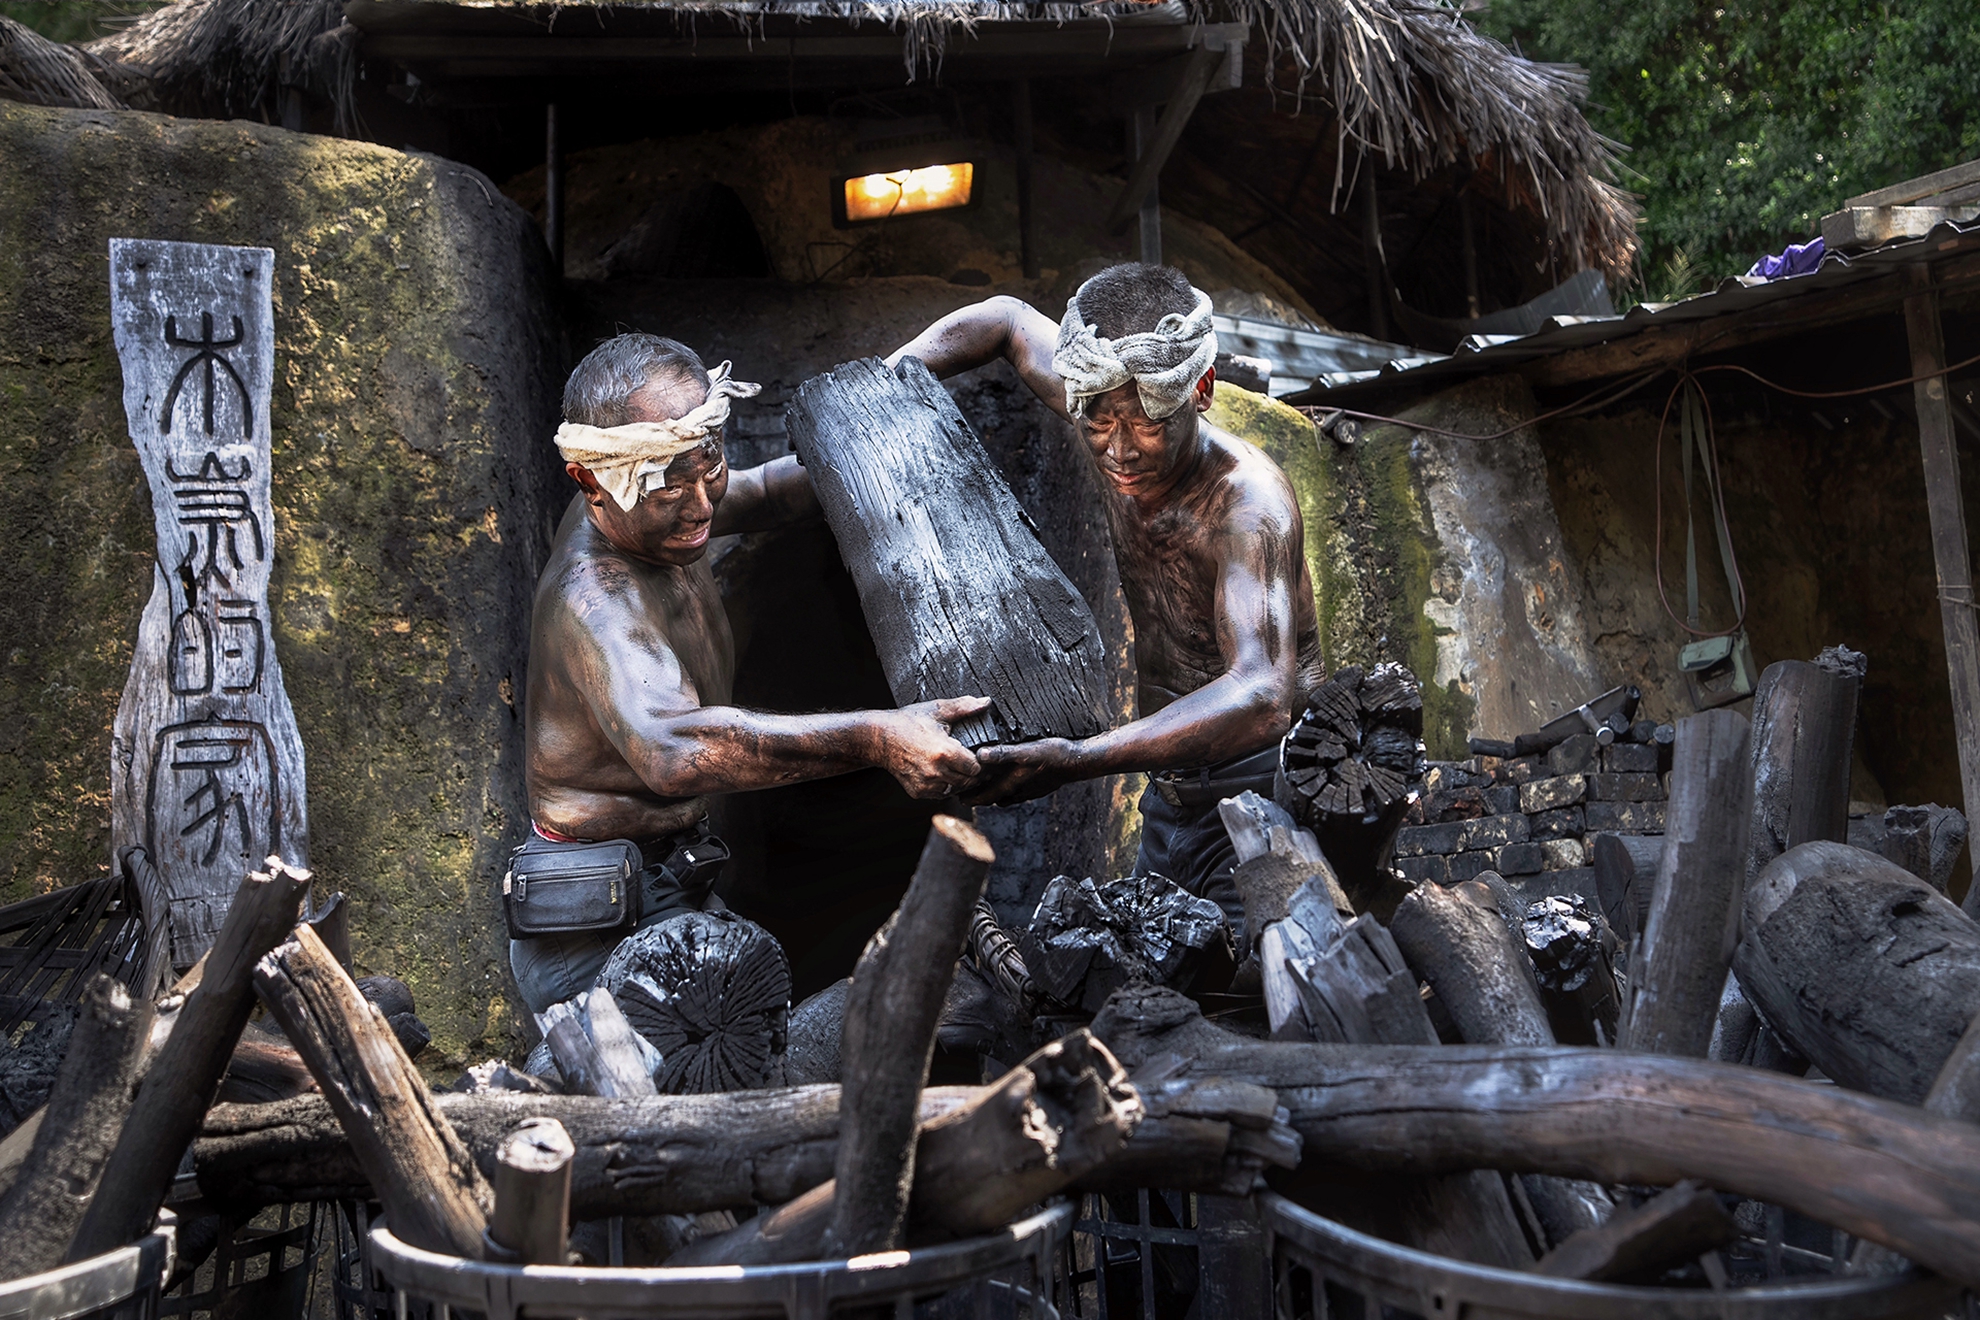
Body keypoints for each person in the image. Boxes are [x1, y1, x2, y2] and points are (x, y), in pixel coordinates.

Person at [512, 332, 987, 1013]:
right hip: (597, 923)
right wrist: (880, 738)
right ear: (592, 482)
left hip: (672, 876)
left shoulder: (657, 507)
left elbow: (767, 490)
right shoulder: (597, 598)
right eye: (670, 484)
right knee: (706, 1081)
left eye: (709, 466)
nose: (702, 505)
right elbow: (674, 752)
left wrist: (931, 364)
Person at [889, 264, 1324, 937]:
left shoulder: (1246, 506)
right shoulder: (1099, 388)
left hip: (1268, 794)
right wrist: (880, 383)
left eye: (1145, 424)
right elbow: (1003, 318)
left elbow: (1263, 697)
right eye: (1099, 423)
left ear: (1200, 390)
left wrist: (1075, 758)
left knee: (1264, 988)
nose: (1118, 450)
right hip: (1175, 795)